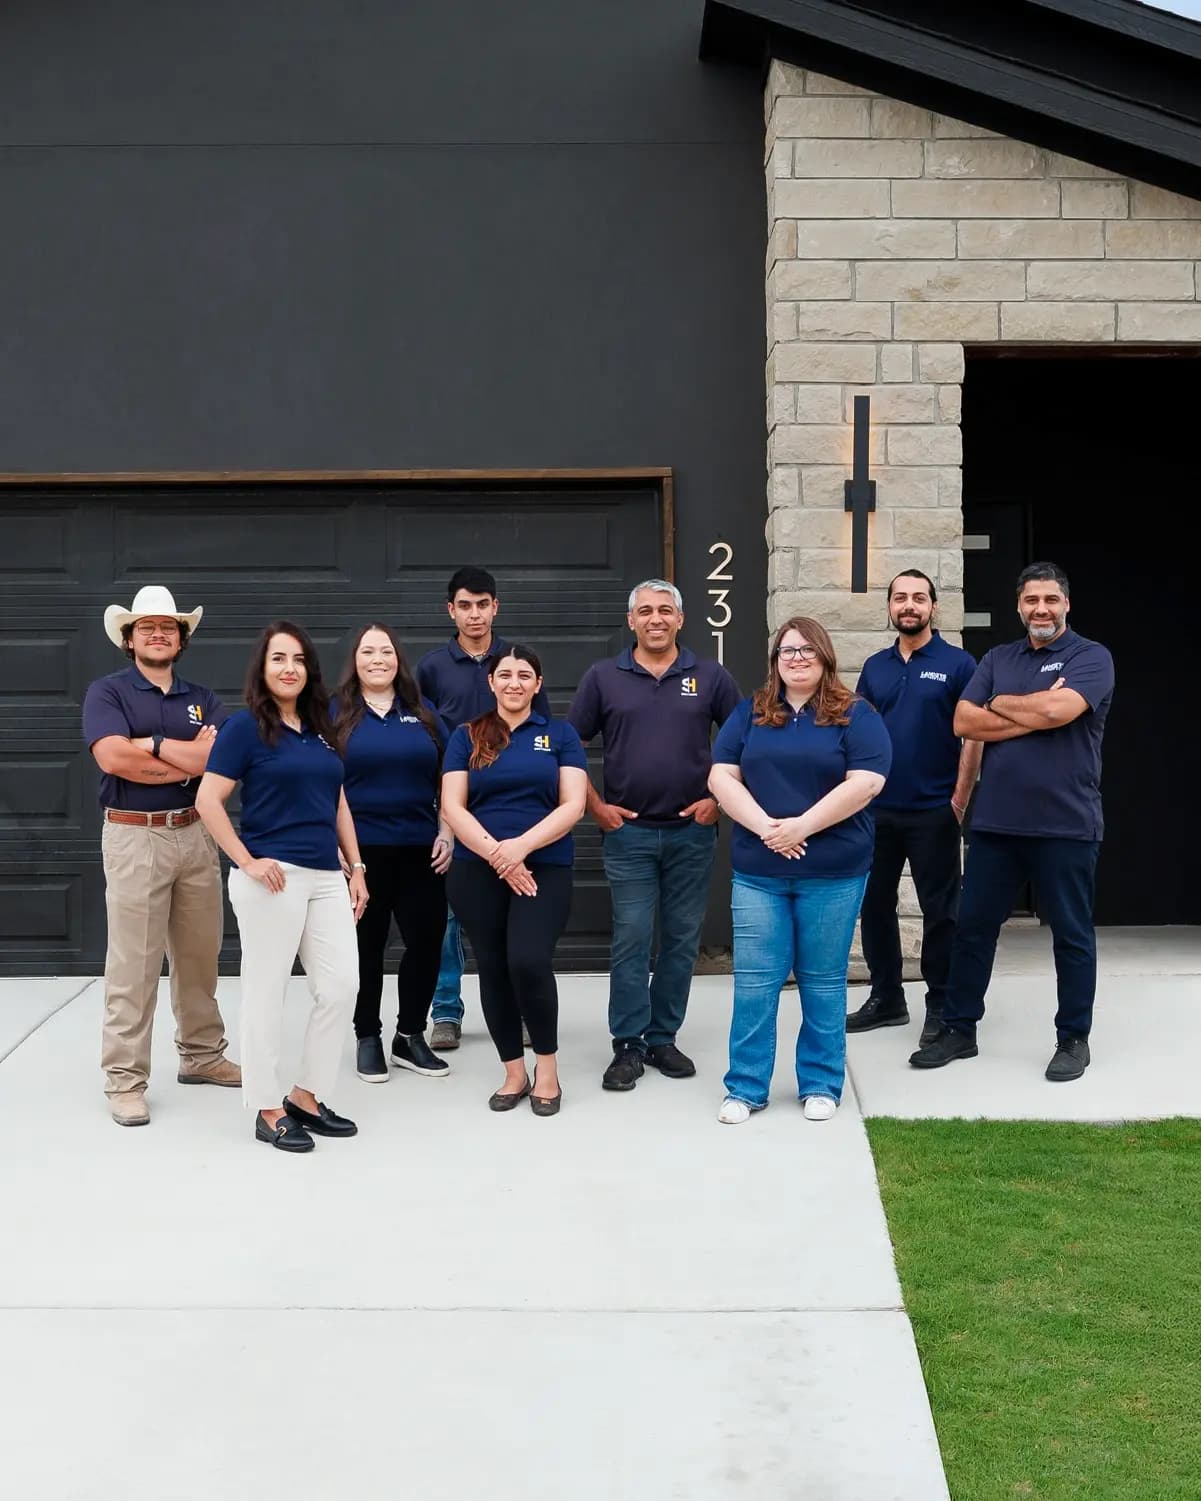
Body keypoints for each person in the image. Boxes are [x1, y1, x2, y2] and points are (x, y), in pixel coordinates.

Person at [909, 563, 1114, 1082]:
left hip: (1067, 824)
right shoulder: (999, 657)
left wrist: (1002, 705)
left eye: (1050, 599)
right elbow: (963, 720)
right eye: (1031, 601)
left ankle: (1073, 1039)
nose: (1040, 609)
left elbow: (1057, 713)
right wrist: (1034, 709)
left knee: (1070, 935)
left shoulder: (1091, 657)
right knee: (972, 930)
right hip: (996, 825)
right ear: (1018, 606)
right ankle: (959, 1029)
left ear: (1066, 604)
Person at [708, 617, 891, 1124]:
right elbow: (721, 776)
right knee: (755, 982)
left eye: (807, 650)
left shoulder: (856, 714)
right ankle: (745, 1087)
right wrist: (769, 827)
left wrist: (801, 828)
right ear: (775, 660)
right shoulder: (752, 713)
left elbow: (867, 782)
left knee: (823, 980)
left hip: (833, 873)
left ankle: (821, 1083)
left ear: (825, 657)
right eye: (787, 651)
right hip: (758, 873)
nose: (796, 658)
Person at [197, 622, 368, 1153]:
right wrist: (246, 861)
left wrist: (357, 866)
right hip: (272, 878)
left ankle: (306, 1096)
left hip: (324, 876)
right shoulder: (246, 728)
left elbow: (337, 799)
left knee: (341, 986)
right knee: (266, 993)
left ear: (309, 669)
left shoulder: (320, 728)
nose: (289, 667)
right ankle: (267, 1108)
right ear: (262, 669)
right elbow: (208, 801)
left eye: (298, 659)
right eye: (278, 659)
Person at [568, 580, 741, 1091]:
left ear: (681, 619)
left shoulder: (709, 676)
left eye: (665, 610)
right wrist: (595, 807)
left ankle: (663, 1036)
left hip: (692, 833)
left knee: (682, 941)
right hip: (629, 837)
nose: (656, 619)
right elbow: (568, 744)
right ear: (632, 621)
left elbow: (746, 739)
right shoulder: (603, 677)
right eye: (646, 611)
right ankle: (628, 1044)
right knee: (633, 938)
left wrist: (718, 801)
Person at [82, 584, 240, 1128]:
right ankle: (125, 1080)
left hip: (195, 833)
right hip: (135, 836)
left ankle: (202, 1057)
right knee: (134, 964)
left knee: (199, 956)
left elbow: (218, 760)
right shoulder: (107, 693)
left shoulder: (202, 696)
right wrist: (181, 758)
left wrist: (147, 745)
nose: (157, 633)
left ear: (181, 638)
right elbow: (113, 758)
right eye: (146, 626)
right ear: (129, 639)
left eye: (167, 627)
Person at [440, 645, 587, 1116]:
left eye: (525, 675)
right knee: (494, 967)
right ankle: (513, 1071)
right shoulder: (467, 737)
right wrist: (497, 855)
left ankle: (547, 1068)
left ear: (538, 685)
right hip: (475, 869)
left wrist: (519, 849)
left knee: (527, 959)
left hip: (543, 867)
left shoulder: (561, 734)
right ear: (491, 682)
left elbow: (573, 805)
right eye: (505, 674)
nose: (514, 683)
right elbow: (453, 806)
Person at [416, 566, 550, 1051]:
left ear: (496, 607)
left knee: (521, 910)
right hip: (452, 802)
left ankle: (525, 1007)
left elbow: (546, 735)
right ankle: (447, 1010)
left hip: (514, 808)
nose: (475, 614)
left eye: (483, 604)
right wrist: (441, 819)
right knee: (451, 911)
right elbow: (423, 737)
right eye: (465, 605)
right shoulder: (432, 668)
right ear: (451, 610)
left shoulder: (518, 663)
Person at [849, 570, 981, 1045]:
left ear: (933, 607)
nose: (910, 605)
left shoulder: (959, 664)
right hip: (876, 810)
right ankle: (887, 998)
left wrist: (959, 799)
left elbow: (973, 735)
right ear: (890, 607)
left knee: (940, 911)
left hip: (933, 810)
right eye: (901, 597)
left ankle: (941, 1004)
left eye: (919, 598)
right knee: (875, 905)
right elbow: (860, 732)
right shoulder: (875, 665)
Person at [332, 623, 452, 1084]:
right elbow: (316, 778)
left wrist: (448, 831)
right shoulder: (335, 712)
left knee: (426, 943)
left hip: (421, 851)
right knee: (366, 948)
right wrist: (334, 843)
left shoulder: (422, 713)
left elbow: (451, 774)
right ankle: (368, 1037)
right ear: (355, 660)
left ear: (398, 659)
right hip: (360, 856)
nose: (377, 659)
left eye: (386, 651)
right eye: (368, 651)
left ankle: (409, 1036)